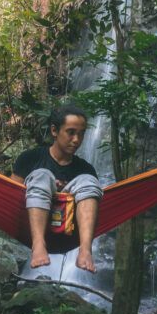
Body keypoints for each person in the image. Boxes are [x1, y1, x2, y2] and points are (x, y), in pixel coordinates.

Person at [13, 104, 103, 272]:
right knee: (41, 175)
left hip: (70, 233)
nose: (77, 140)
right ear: (54, 131)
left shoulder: (86, 170)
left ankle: (85, 250)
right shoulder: (30, 159)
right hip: (31, 226)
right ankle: (38, 245)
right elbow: (10, 197)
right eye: (71, 132)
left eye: (81, 134)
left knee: (89, 181)